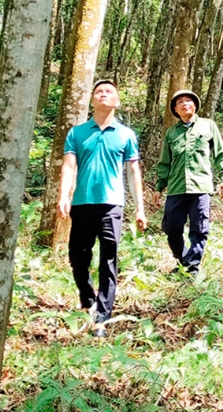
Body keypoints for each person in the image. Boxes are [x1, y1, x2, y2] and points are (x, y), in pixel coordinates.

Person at [57, 80, 146, 338]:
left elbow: (133, 171)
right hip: (82, 203)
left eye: (109, 92)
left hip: (111, 205)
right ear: (92, 99)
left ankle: (102, 319)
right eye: (99, 91)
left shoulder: (126, 135)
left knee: (109, 261)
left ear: (117, 101)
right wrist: (64, 195)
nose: (103, 94)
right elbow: (69, 166)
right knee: (78, 258)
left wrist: (140, 208)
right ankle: (88, 301)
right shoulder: (77, 133)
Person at [154, 89, 223, 276]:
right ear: (175, 109)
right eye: (180, 102)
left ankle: (192, 268)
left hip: (200, 187)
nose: (185, 104)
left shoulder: (208, 126)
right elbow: (164, 162)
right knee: (172, 228)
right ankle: (183, 260)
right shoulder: (171, 133)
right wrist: (159, 187)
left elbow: (220, 154)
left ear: (195, 105)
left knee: (199, 229)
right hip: (176, 188)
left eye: (189, 100)